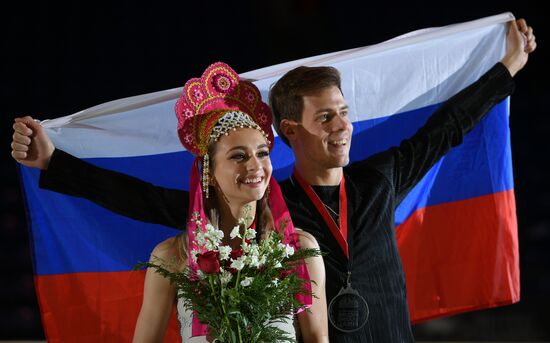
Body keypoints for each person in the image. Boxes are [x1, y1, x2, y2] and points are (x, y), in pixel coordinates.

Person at [12, 18, 536, 342]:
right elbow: (149, 201)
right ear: (291, 130)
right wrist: (55, 163)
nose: (343, 127)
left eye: (344, 113)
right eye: (325, 117)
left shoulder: (381, 179)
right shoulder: (266, 207)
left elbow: (447, 128)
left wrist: (507, 68)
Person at [12, 62, 329, 342]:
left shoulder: (297, 249)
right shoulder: (174, 256)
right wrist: (53, 162)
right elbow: (140, 198)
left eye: (262, 153)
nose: (256, 166)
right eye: (238, 156)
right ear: (210, 172)